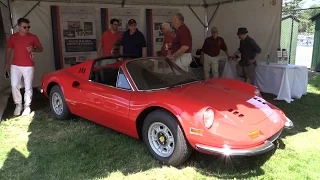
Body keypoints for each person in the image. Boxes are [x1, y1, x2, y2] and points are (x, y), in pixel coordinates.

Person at [4, 18, 43, 116]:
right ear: (18, 26)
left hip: (28, 65)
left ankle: (27, 106)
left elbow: (40, 49)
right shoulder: (13, 37)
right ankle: (18, 105)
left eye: (28, 27)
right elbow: (8, 50)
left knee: (28, 87)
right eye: (24, 27)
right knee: (14, 85)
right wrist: (6, 63)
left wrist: (33, 48)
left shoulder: (33, 37)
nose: (27, 29)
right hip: (15, 65)